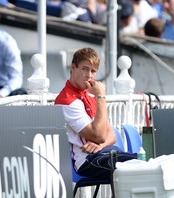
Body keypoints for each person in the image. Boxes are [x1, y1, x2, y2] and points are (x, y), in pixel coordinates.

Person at [55, 47, 136, 179]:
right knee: (135, 164)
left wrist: (100, 145)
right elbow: (99, 135)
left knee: (140, 164)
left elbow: (111, 135)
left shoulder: (90, 94)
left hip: (102, 152)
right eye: (85, 69)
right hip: (85, 161)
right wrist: (101, 97)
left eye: (93, 71)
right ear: (73, 68)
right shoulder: (66, 100)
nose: (89, 75)